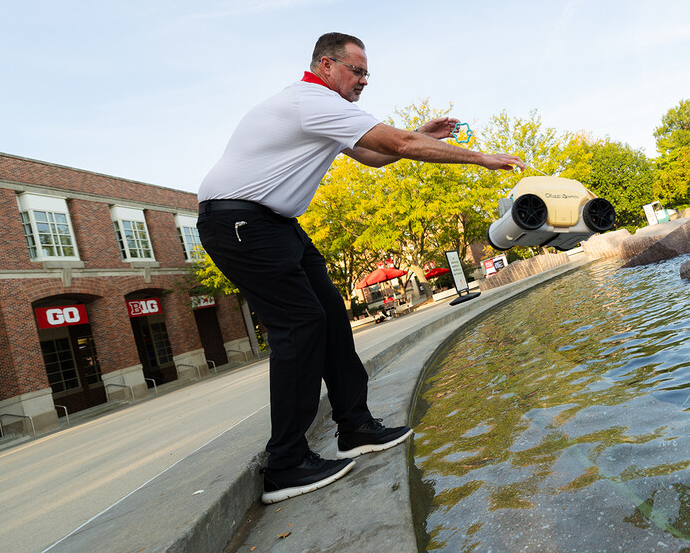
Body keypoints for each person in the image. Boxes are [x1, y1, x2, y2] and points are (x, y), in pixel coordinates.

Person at [196, 32, 525, 504]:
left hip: (272, 222)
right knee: (300, 323)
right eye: (358, 70)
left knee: (329, 314)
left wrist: (423, 136)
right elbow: (398, 143)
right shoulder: (310, 99)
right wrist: (481, 159)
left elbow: (373, 155)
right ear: (327, 66)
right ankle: (286, 462)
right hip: (240, 220)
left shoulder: (325, 110)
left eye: (368, 73)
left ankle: (355, 426)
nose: (364, 80)